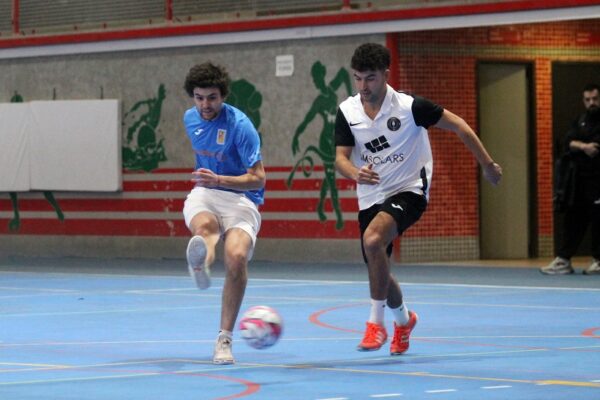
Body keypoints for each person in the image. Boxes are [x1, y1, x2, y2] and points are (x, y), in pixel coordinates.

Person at [334, 43, 502, 355]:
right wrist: (355, 173)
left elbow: (461, 126)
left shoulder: (411, 108)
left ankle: (375, 325)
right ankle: (404, 320)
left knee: (373, 242)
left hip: (410, 189)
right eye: (357, 78)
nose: (363, 86)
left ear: (386, 75)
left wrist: (488, 165)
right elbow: (340, 159)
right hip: (370, 194)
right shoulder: (348, 111)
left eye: (369, 78)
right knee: (377, 262)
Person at [182, 62, 266, 364]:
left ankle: (224, 340)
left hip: (241, 197)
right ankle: (201, 265)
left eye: (212, 97)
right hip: (205, 192)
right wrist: (211, 182)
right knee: (205, 228)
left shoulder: (240, 127)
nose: (205, 105)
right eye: (199, 97)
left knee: (237, 257)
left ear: (223, 96)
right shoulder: (189, 119)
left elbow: (258, 177)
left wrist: (221, 179)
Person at [541, 83, 600, 275]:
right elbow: (568, 142)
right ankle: (564, 260)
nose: (591, 103)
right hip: (580, 181)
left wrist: (582, 145)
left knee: (598, 220)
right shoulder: (580, 120)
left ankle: (599, 260)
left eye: (595, 99)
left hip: (598, 180)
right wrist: (584, 147)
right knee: (573, 219)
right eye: (588, 99)